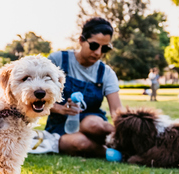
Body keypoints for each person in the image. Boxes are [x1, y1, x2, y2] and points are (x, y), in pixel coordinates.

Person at [42, 16, 124, 158]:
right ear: (81, 40)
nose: (98, 52)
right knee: (81, 144)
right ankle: (109, 152)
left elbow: (117, 112)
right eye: (94, 45)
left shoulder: (106, 73)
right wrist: (60, 109)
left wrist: (128, 130)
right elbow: (37, 95)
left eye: (105, 48)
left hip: (91, 120)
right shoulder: (57, 60)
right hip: (60, 125)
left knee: (94, 125)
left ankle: (126, 144)